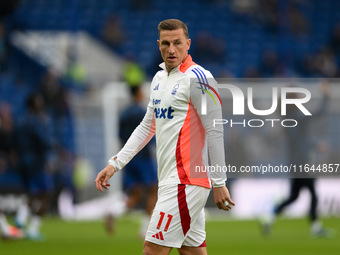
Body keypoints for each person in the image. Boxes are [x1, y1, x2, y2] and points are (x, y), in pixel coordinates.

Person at [95, 19, 235, 255]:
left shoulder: (199, 77)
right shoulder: (159, 79)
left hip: (185, 182)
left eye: (178, 43)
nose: (172, 49)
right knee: (192, 252)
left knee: (151, 251)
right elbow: (147, 126)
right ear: (159, 44)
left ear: (188, 44)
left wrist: (219, 182)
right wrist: (115, 163)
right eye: (166, 43)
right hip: (172, 181)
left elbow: (215, 130)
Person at [262, 82, 332, 238]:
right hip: (302, 163)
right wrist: (326, 96)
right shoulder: (298, 117)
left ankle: (268, 218)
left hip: (295, 162)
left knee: (294, 197)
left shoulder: (288, 118)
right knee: (313, 194)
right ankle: (316, 227)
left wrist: (313, 145)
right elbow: (318, 113)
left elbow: (297, 140)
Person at [105, 85, 158, 238]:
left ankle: (113, 212)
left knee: (135, 194)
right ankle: (144, 229)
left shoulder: (124, 114)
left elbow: (120, 135)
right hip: (144, 157)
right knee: (153, 190)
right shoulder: (143, 112)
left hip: (129, 158)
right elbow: (148, 133)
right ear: (139, 93)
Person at [14, 93, 54, 240]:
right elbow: (44, 141)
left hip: (23, 160)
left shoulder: (20, 120)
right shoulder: (38, 121)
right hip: (37, 161)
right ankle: (31, 227)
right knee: (45, 193)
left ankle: (21, 217)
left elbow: (14, 139)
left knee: (31, 192)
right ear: (35, 104)